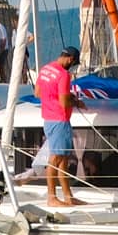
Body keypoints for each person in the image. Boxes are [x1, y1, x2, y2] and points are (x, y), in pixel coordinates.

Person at [36, 44, 83, 208]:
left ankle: (68, 196)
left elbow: (38, 93)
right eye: (74, 63)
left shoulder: (45, 69)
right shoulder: (64, 75)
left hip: (48, 119)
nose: (72, 66)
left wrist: (56, 96)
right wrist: (76, 102)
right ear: (70, 59)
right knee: (55, 159)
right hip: (60, 120)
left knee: (63, 160)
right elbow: (64, 102)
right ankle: (52, 197)